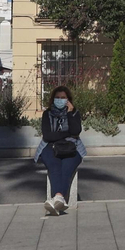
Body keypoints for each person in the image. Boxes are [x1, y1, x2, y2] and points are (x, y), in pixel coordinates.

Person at [37, 85, 85, 215]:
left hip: (72, 147)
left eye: (63, 98)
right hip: (50, 146)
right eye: (57, 97)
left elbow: (76, 131)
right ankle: (59, 199)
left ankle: (57, 198)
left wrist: (69, 113)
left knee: (67, 168)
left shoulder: (74, 113)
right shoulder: (47, 114)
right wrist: (67, 133)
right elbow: (48, 136)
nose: (60, 100)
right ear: (53, 99)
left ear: (68, 100)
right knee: (54, 165)